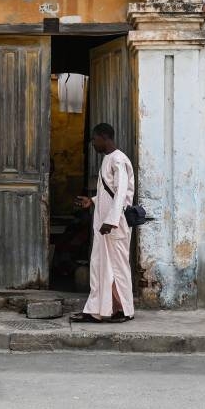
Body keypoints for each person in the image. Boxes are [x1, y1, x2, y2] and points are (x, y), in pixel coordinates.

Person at [71, 123, 136, 323]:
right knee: (100, 266)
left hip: (114, 226)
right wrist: (92, 201)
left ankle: (124, 310)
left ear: (104, 137)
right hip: (105, 225)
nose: (92, 143)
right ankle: (96, 310)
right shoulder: (108, 160)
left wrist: (111, 221)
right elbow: (108, 193)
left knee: (117, 267)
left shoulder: (119, 160)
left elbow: (121, 193)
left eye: (94, 139)